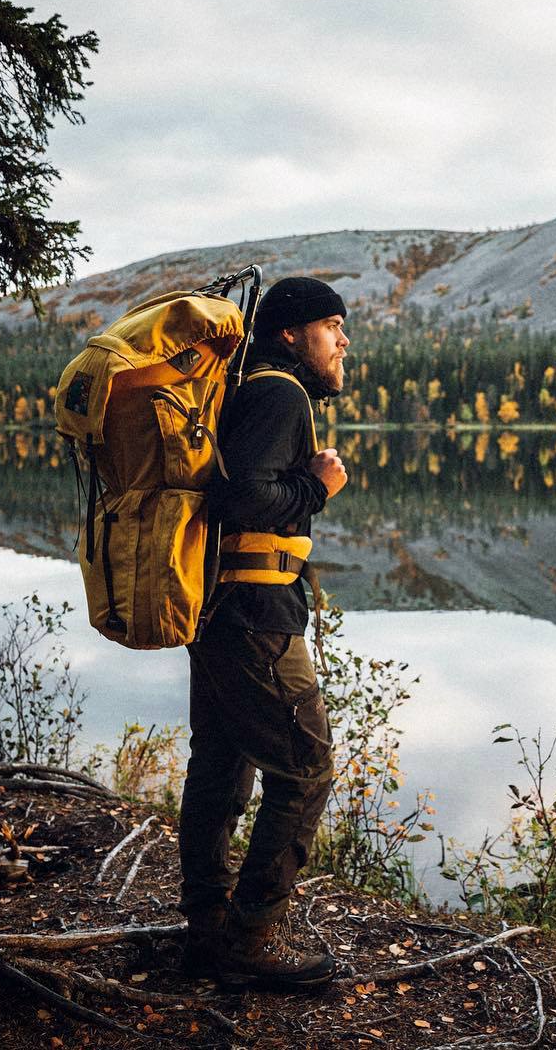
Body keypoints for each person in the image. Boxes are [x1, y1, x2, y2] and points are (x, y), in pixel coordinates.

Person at [177, 276, 350, 990]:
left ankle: (206, 931)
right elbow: (242, 494)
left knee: (220, 767)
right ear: (290, 333)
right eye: (332, 326)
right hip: (256, 618)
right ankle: (246, 940)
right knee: (305, 768)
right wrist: (319, 487)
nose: (343, 342)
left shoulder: (251, 386)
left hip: (220, 611)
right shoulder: (281, 393)